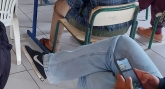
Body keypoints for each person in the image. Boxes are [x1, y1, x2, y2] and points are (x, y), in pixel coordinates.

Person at [22, 35, 164, 88]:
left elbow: (75, 0)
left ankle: (50, 66)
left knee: (90, 71)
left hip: (91, 24)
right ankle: (49, 66)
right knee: (121, 44)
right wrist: (159, 84)